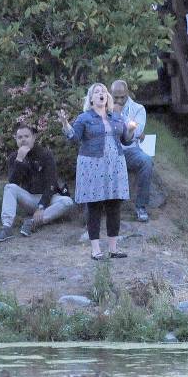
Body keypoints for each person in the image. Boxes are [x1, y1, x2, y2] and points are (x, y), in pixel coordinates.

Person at [57, 83, 137, 261]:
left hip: (115, 164)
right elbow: (74, 138)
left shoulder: (116, 117)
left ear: (107, 97)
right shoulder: (84, 118)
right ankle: (95, 250)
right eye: (97, 92)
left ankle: (113, 249)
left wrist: (131, 130)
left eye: (103, 92)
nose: (101, 94)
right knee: (94, 206)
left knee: (114, 205)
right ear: (91, 99)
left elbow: (126, 140)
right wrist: (65, 124)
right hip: (93, 166)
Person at [0, 125, 75, 242]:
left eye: (26, 136)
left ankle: (32, 222)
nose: (23, 140)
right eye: (20, 137)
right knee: (9, 188)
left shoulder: (45, 154)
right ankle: (6, 227)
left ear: (34, 138)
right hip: (29, 198)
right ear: (16, 139)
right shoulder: (14, 157)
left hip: (49, 199)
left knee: (67, 202)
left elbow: (51, 183)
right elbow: (13, 182)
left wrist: (42, 206)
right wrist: (19, 160)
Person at [110, 80, 154, 222]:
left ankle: (141, 206)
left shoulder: (138, 108)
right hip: (109, 150)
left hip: (129, 151)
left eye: (122, 97)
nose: (119, 100)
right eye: (115, 97)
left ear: (127, 93)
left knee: (146, 161)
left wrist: (119, 117)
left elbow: (137, 131)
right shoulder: (104, 107)